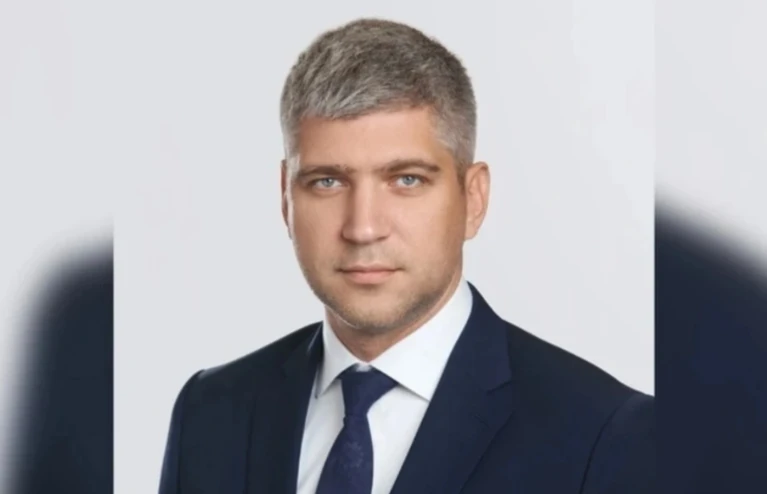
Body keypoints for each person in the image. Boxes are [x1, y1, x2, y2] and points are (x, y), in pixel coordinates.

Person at [158, 18, 653, 494]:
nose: (363, 227)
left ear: (473, 199)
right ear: (286, 198)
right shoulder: (210, 413)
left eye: (406, 180)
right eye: (327, 182)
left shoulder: (603, 435)